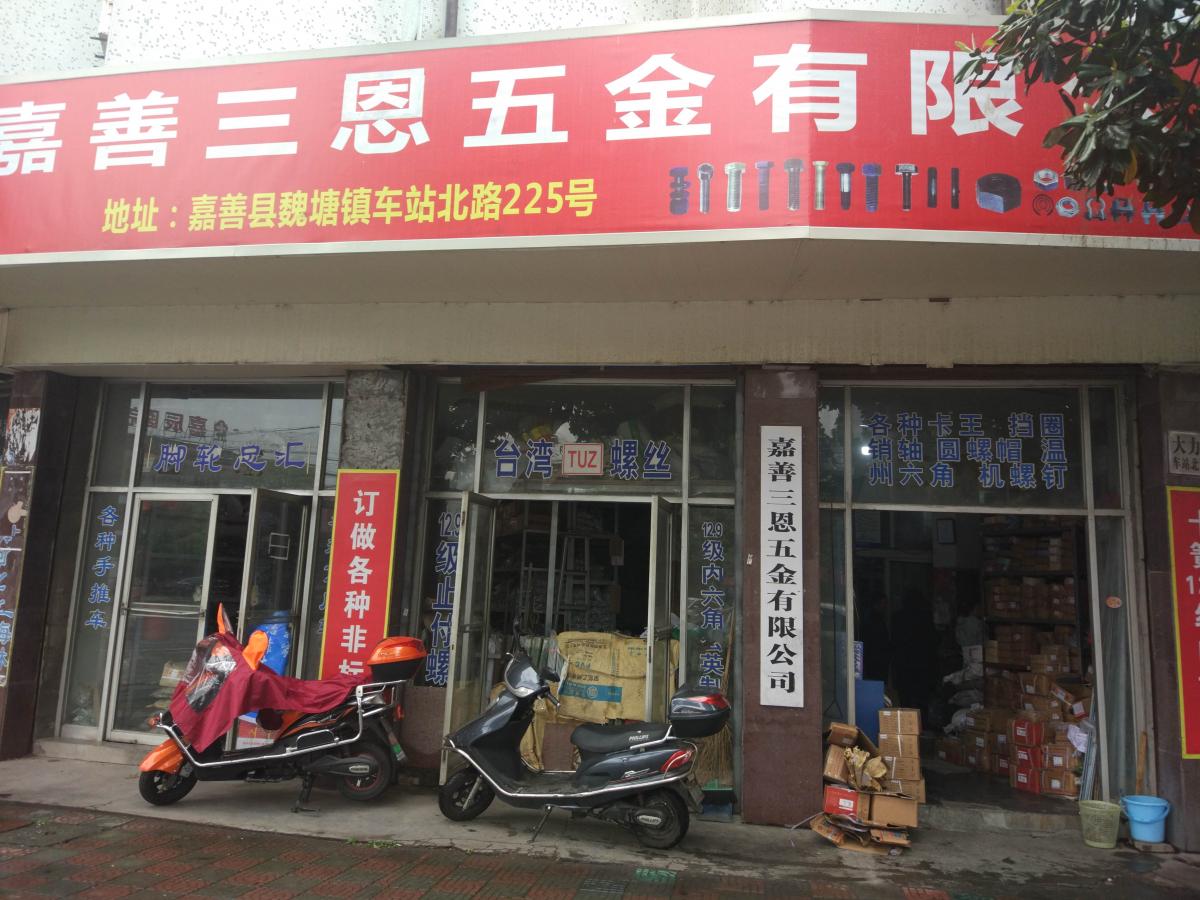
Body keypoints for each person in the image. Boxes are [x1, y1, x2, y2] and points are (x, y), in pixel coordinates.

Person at [890, 589, 937, 710]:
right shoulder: (925, 617)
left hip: (903, 663)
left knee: (905, 697)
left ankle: (907, 719)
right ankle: (922, 719)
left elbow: (894, 640)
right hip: (922, 663)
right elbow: (932, 640)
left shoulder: (897, 617)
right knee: (922, 698)